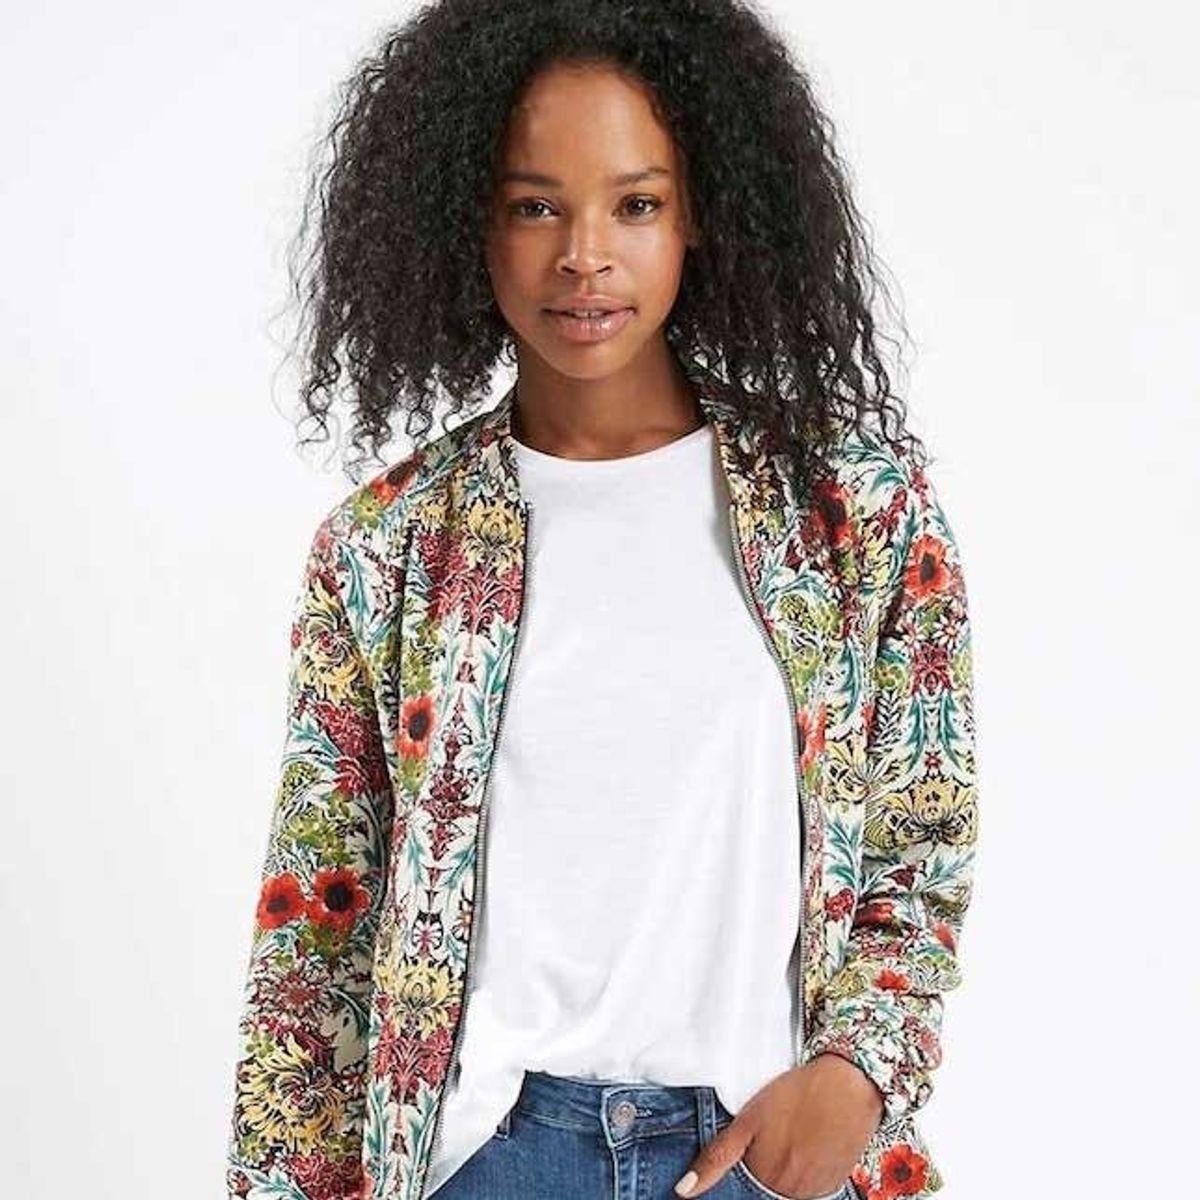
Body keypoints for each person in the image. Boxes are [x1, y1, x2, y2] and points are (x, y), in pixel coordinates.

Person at [224, 3, 978, 1199]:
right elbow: (317, 933)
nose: (585, 255)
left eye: (636, 204)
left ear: (700, 215)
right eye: (536, 206)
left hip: (765, 1153)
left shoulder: (851, 512)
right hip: (489, 1158)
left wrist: (857, 1075)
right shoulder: (385, 551)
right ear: (466, 220)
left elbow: (921, 836)